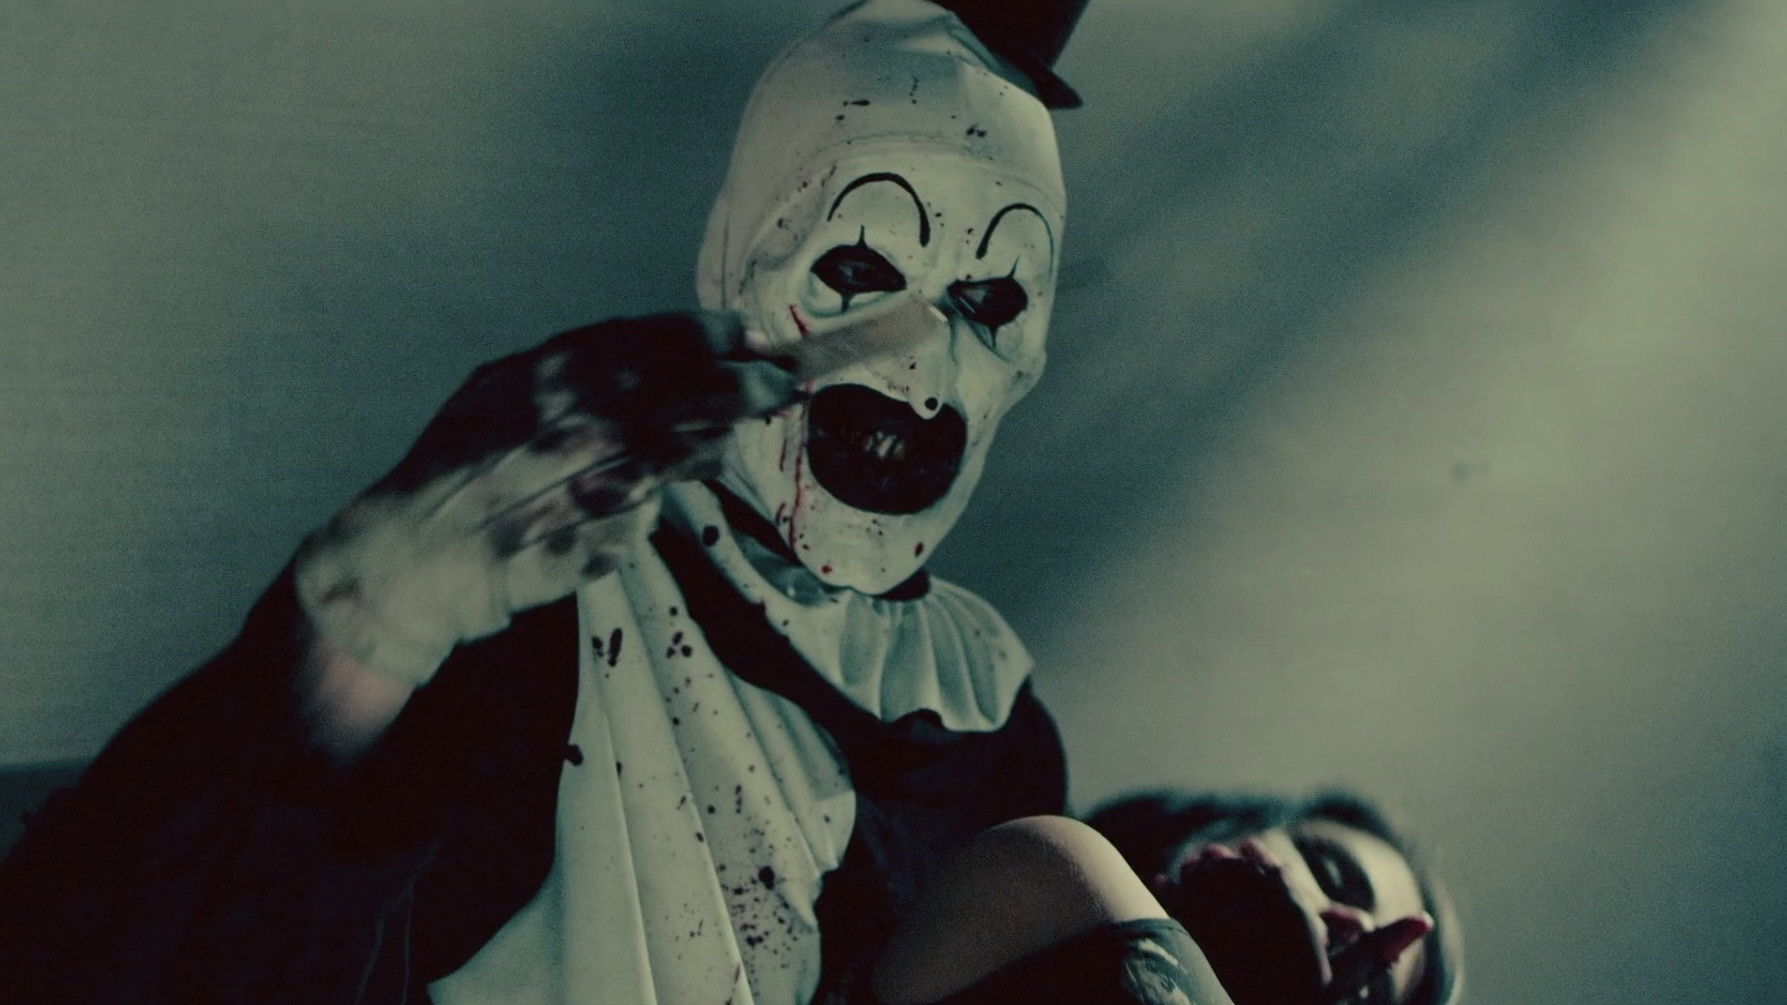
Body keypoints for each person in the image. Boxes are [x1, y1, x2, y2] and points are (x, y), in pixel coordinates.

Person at [0, 2, 1134, 1002]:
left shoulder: (985, 704)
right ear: (740, 260)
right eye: (858, 270)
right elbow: (108, 950)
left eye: (990, 299)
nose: (921, 372)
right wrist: (364, 633)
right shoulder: (554, 587)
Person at [862, 791, 1462, 1005]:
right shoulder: (1051, 861)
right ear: (1224, 828)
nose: (1349, 923)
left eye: (1365, 990)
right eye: (1329, 871)